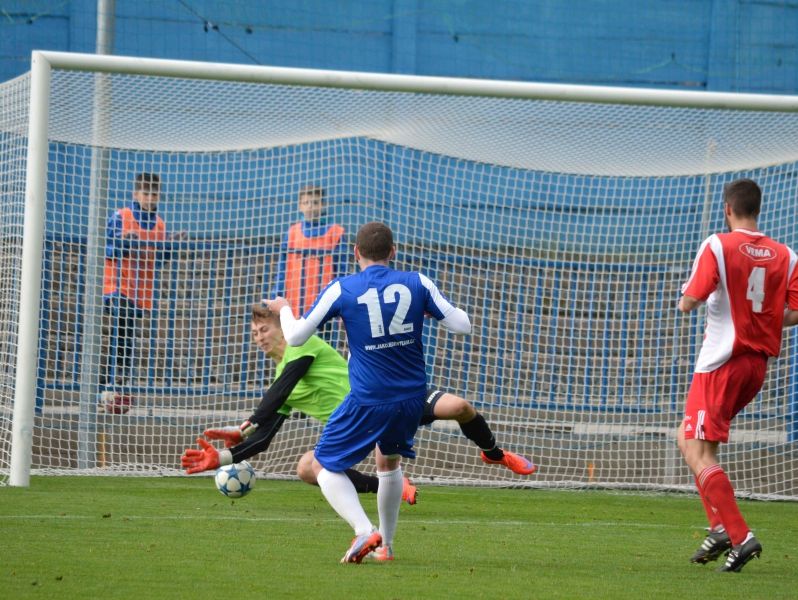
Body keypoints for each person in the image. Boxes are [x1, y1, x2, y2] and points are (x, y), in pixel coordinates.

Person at [181, 305, 536, 559]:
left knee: (460, 407)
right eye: (255, 332)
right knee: (309, 467)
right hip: (356, 425)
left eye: (266, 329)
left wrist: (248, 422)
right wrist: (227, 455)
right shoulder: (280, 379)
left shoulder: (303, 347)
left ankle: (493, 453)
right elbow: (265, 436)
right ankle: (374, 530)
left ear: (283, 329)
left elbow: (276, 396)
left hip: (385, 396)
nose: (259, 337)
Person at [267, 221, 471, 564]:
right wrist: (424, 307)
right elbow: (462, 325)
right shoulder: (417, 282)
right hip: (411, 399)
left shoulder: (342, 288)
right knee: (388, 464)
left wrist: (284, 308)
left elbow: (298, 336)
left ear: (356, 252)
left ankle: (364, 530)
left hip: (368, 397)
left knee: (322, 467)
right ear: (393, 251)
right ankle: (386, 547)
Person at [677, 178, 798, 573]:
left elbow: (689, 302)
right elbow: (793, 312)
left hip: (721, 362)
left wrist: (688, 297)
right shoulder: (787, 255)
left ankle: (740, 535)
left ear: (727, 209)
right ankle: (718, 527)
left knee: (701, 452)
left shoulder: (718, 244)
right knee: (686, 437)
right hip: (756, 366)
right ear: (757, 209)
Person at [100, 172, 184, 412]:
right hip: (117, 286)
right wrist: (124, 242)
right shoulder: (121, 216)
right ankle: (112, 385)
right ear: (136, 194)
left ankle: (115, 385)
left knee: (126, 338)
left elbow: (157, 261)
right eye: (145, 193)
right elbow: (106, 248)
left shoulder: (159, 223)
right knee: (121, 333)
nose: (150, 197)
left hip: (141, 293)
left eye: (154, 194)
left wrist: (170, 247)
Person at [269, 185, 347, 322]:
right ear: (300, 206)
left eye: (315, 202)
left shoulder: (336, 233)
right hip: (295, 303)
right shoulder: (292, 233)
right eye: (306, 202)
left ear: (323, 205)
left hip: (324, 305)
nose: (311, 206)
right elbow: (282, 268)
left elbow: (342, 270)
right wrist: (277, 294)